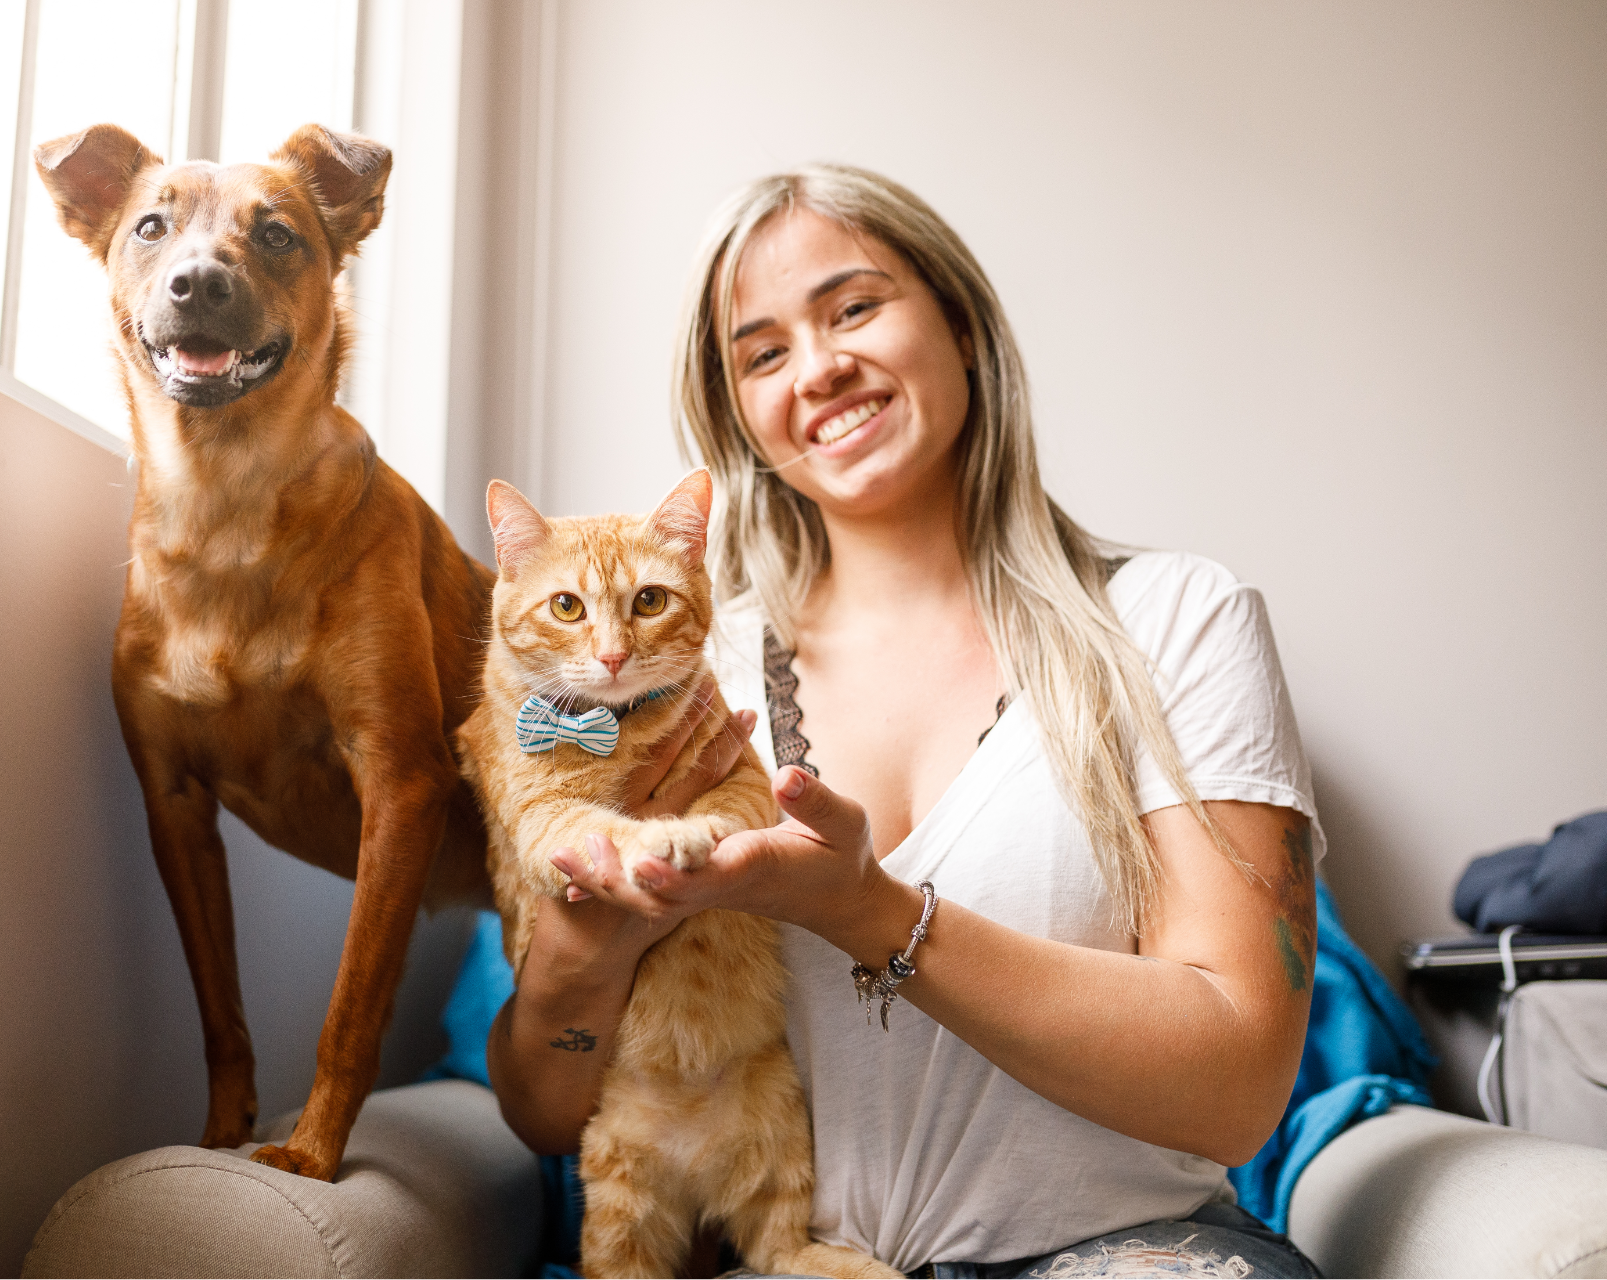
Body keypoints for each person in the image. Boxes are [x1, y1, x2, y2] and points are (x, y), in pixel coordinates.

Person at [487, 164, 1324, 1279]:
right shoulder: (660, 669)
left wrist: (870, 910)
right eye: (764, 352)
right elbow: (547, 1108)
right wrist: (592, 948)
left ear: (963, 323)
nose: (820, 366)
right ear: (740, 412)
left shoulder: (1175, 620)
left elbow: (1237, 1092)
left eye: (854, 307)